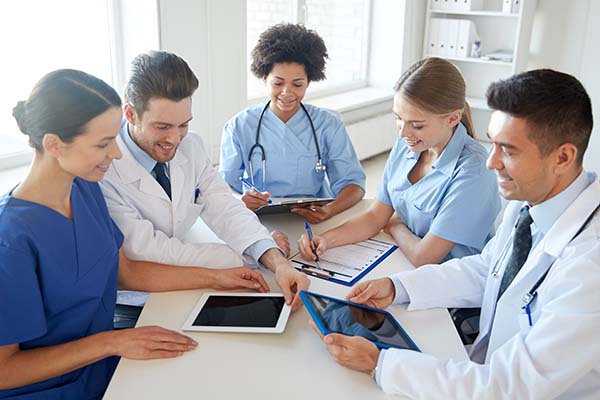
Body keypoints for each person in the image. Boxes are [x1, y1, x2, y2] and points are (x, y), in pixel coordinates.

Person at [311, 69, 600, 399]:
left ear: (562, 157)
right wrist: (398, 287)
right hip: (482, 368)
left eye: (508, 150)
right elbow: (485, 270)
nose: (491, 163)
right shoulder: (529, 206)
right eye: (492, 144)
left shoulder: (589, 267)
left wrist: (383, 364)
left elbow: (510, 386)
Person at [0, 70, 269, 399]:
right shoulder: (10, 240)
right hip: (47, 388)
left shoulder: (84, 189)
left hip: (104, 366)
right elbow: (5, 370)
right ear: (54, 144)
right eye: (103, 143)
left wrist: (216, 278)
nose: (115, 153)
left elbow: (125, 273)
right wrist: (111, 341)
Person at [99, 51, 309, 313]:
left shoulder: (192, 146)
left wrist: (277, 262)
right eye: (163, 127)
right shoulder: (104, 168)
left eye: (183, 124)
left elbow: (224, 207)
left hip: (192, 284)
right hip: (134, 302)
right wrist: (245, 257)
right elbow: (145, 250)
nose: (175, 139)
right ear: (130, 114)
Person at [298, 58, 500, 266]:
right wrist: (325, 240)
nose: (403, 132)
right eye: (399, 118)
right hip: (402, 258)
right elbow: (376, 216)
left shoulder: (474, 172)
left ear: (452, 118)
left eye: (417, 125)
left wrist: (395, 225)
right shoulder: (410, 144)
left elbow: (425, 257)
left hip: (450, 278)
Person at [219, 23, 366, 224]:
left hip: (314, 217)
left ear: (309, 81)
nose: (287, 92)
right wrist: (240, 201)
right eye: (278, 83)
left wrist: (331, 210)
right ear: (264, 78)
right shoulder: (239, 126)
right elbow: (223, 187)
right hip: (257, 220)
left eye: (297, 84)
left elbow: (354, 185)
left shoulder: (328, 124)